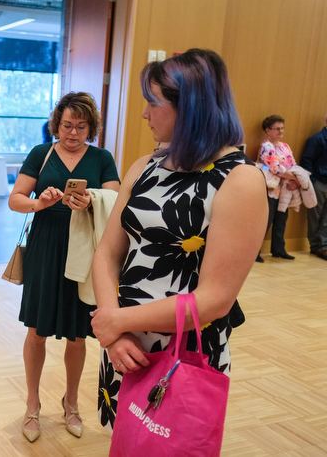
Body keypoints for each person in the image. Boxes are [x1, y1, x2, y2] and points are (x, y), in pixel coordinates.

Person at [90, 49, 267, 433]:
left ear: (190, 108)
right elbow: (107, 253)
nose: (144, 114)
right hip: (125, 344)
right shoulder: (145, 165)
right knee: (125, 440)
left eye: (152, 103)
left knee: (170, 443)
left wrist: (116, 321)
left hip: (183, 355)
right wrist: (115, 333)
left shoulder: (240, 180)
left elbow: (214, 300)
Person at [8, 92, 120, 441]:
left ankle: (71, 403)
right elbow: (16, 200)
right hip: (45, 247)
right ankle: (32, 404)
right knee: (36, 330)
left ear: (92, 128)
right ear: (56, 124)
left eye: (81, 126)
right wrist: (39, 203)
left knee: (76, 333)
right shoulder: (41, 154)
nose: (72, 133)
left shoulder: (102, 157)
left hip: (84, 250)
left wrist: (90, 202)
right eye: (67, 125)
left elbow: (116, 203)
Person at [255, 115, 300, 260]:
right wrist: (293, 177)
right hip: (270, 189)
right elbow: (275, 168)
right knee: (265, 221)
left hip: (285, 189)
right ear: (268, 130)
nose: (281, 131)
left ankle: (278, 249)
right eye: (277, 129)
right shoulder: (266, 146)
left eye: (282, 128)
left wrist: (295, 178)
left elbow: (293, 165)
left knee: (281, 220)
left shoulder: (285, 146)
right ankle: (255, 252)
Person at [300, 113, 327, 260]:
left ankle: (324, 246)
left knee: (326, 218)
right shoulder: (316, 139)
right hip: (319, 182)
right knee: (315, 216)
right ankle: (316, 246)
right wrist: (312, 181)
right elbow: (307, 161)